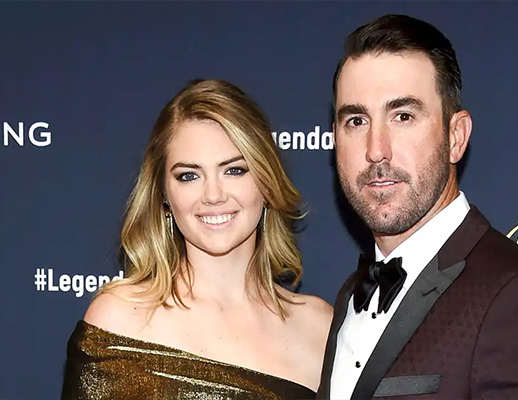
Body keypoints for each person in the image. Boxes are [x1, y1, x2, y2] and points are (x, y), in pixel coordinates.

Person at [317, 14, 518, 399]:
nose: (376, 149)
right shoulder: (350, 294)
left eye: (403, 116)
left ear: (456, 136)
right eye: (356, 120)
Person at [61, 79, 332, 400]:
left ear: (266, 181)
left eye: (234, 170)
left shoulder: (319, 327)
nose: (213, 195)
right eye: (189, 176)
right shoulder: (120, 321)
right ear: (164, 194)